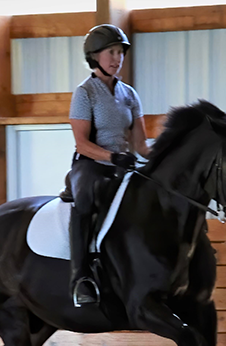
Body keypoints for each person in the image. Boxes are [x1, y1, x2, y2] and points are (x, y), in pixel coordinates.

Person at [68, 24, 150, 307]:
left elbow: (142, 146)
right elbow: (81, 143)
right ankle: (80, 277)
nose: (117, 58)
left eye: (120, 53)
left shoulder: (130, 94)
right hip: (91, 165)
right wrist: (113, 157)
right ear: (94, 56)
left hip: (123, 165)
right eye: (111, 52)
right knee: (86, 199)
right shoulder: (85, 92)